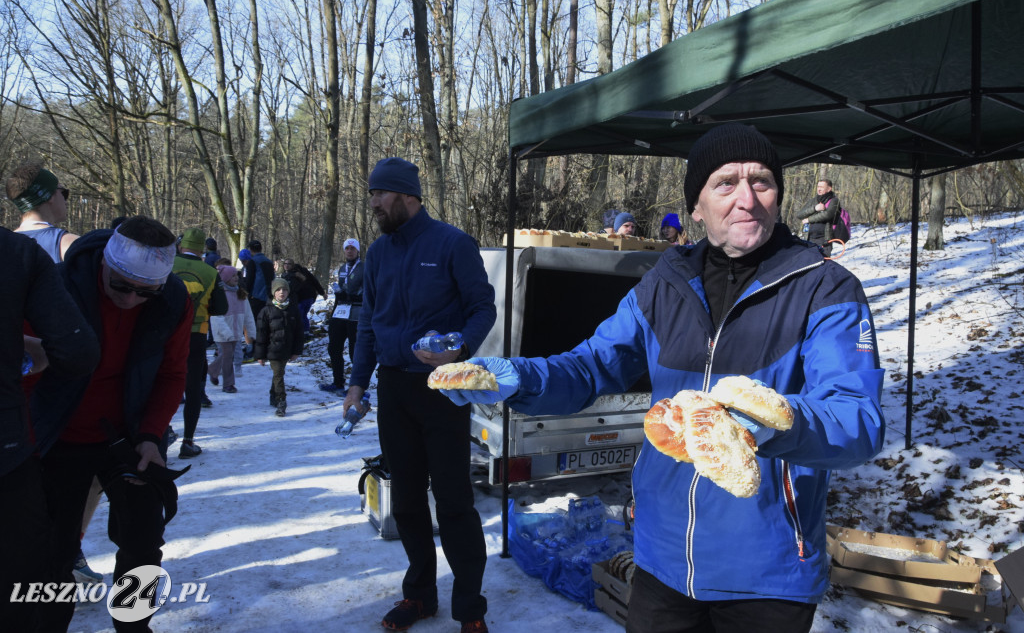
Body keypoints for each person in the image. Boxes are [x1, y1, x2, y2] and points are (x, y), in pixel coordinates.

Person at [441, 124, 884, 633]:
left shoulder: (825, 289)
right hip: (662, 562)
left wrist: (770, 421)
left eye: (761, 181)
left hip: (768, 572)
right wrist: (516, 378)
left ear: (779, 196)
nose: (747, 199)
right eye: (725, 184)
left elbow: (858, 420)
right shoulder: (664, 285)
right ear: (696, 206)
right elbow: (589, 367)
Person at [342, 157, 496, 633]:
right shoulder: (378, 253)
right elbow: (368, 321)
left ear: (408, 195)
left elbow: (482, 307)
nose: (373, 204)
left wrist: (460, 348)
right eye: (371, 194)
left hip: (442, 390)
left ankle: (469, 608)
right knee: (405, 499)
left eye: (379, 195)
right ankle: (419, 596)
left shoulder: (452, 243)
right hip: (394, 388)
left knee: (453, 501)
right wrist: (356, 382)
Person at [29, 216, 194, 633]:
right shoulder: (56, 288)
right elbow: (22, 370)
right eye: (122, 285)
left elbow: (172, 374)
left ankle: (134, 627)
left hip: (127, 436)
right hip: (58, 435)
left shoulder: (173, 300)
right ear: (104, 262)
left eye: (146, 291)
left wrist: (152, 436)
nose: (132, 299)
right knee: (54, 551)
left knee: (143, 540)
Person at [0, 227, 100, 630]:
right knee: (22, 586)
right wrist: (25, 350)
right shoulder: (15, 253)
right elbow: (77, 351)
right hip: (8, 451)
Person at [173, 227, 228, 458]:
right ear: (202, 249)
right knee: (193, 387)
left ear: (181, 245)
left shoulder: (167, 265)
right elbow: (222, 307)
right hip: (196, 334)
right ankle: (188, 441)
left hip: (166, 333)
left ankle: (159, 434)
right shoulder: (210, 272)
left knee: (161, 384)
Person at [6, 161, 80, 261]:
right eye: (63, 193)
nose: (65, 201)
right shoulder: (71, 245)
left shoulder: (5, 246)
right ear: (48, 196)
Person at [254, 278, 303, 417]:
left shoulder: (293, 309)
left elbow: (299, 332)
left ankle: (273, 394)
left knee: (278, 373)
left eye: (285, 289)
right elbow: (261, 335)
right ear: (273, 292)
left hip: (287, 349)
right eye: (278, 290)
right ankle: (282, 401)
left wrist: (296, 351)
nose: (282, 292)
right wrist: (260, 355)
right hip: (272, 350)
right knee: (278, 374)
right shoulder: (266, 311)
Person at [319, 238, 363, 393]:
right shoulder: (342, 268)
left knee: (354, 352)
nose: (349, 251)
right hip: (340, 312)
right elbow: (341, 292)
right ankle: (338, 382)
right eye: (347, 248)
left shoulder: (364, 267)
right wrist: (333, 312)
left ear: (358, 251)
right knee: (334, 348)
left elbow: (369, 291)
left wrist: (354, 295)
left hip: (356, 314)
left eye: (352, 248)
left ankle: (356, 387)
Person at [208, 264, 256, 394]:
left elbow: (248, 314)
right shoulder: (219, 294)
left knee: (226, 355)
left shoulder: (241, 293)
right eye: (233, 275)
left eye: (237, 275)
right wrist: (226, 333)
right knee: (228, 356)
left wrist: (251, 331)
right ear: (225, 278)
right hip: (222, 332)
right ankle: (228, 384)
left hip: (236, 331)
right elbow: (216, 316)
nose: (236, 278)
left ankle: (213, 370)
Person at [282, 258, 328, 335]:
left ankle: (303, 332)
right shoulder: (291, 274)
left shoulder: (296, 274)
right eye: (285, 264)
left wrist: (322, 293)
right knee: (302, 315)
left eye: (289, 264)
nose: (286, 266)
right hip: (308, 297)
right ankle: (305, 331)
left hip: (304, 297)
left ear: (293, 265)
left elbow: (314, 281)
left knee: (300, 315)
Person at [795, 179, 841, 256]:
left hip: (824, 240)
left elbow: (828, 214)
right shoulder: (813, 201)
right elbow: (799, 215)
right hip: (809, 238)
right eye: (818, 187)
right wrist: (815, 208)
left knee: (823, 263)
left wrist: (809, 220)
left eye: (822, 187)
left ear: (829, 189)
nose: (819, 189)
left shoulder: (834, 201)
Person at [246, 239, 276, 318]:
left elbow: (249, 279)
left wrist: (246, 292)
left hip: (255, 296)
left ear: (250, 249)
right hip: (268, 295)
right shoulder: (269, 262)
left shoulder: (252, 262)